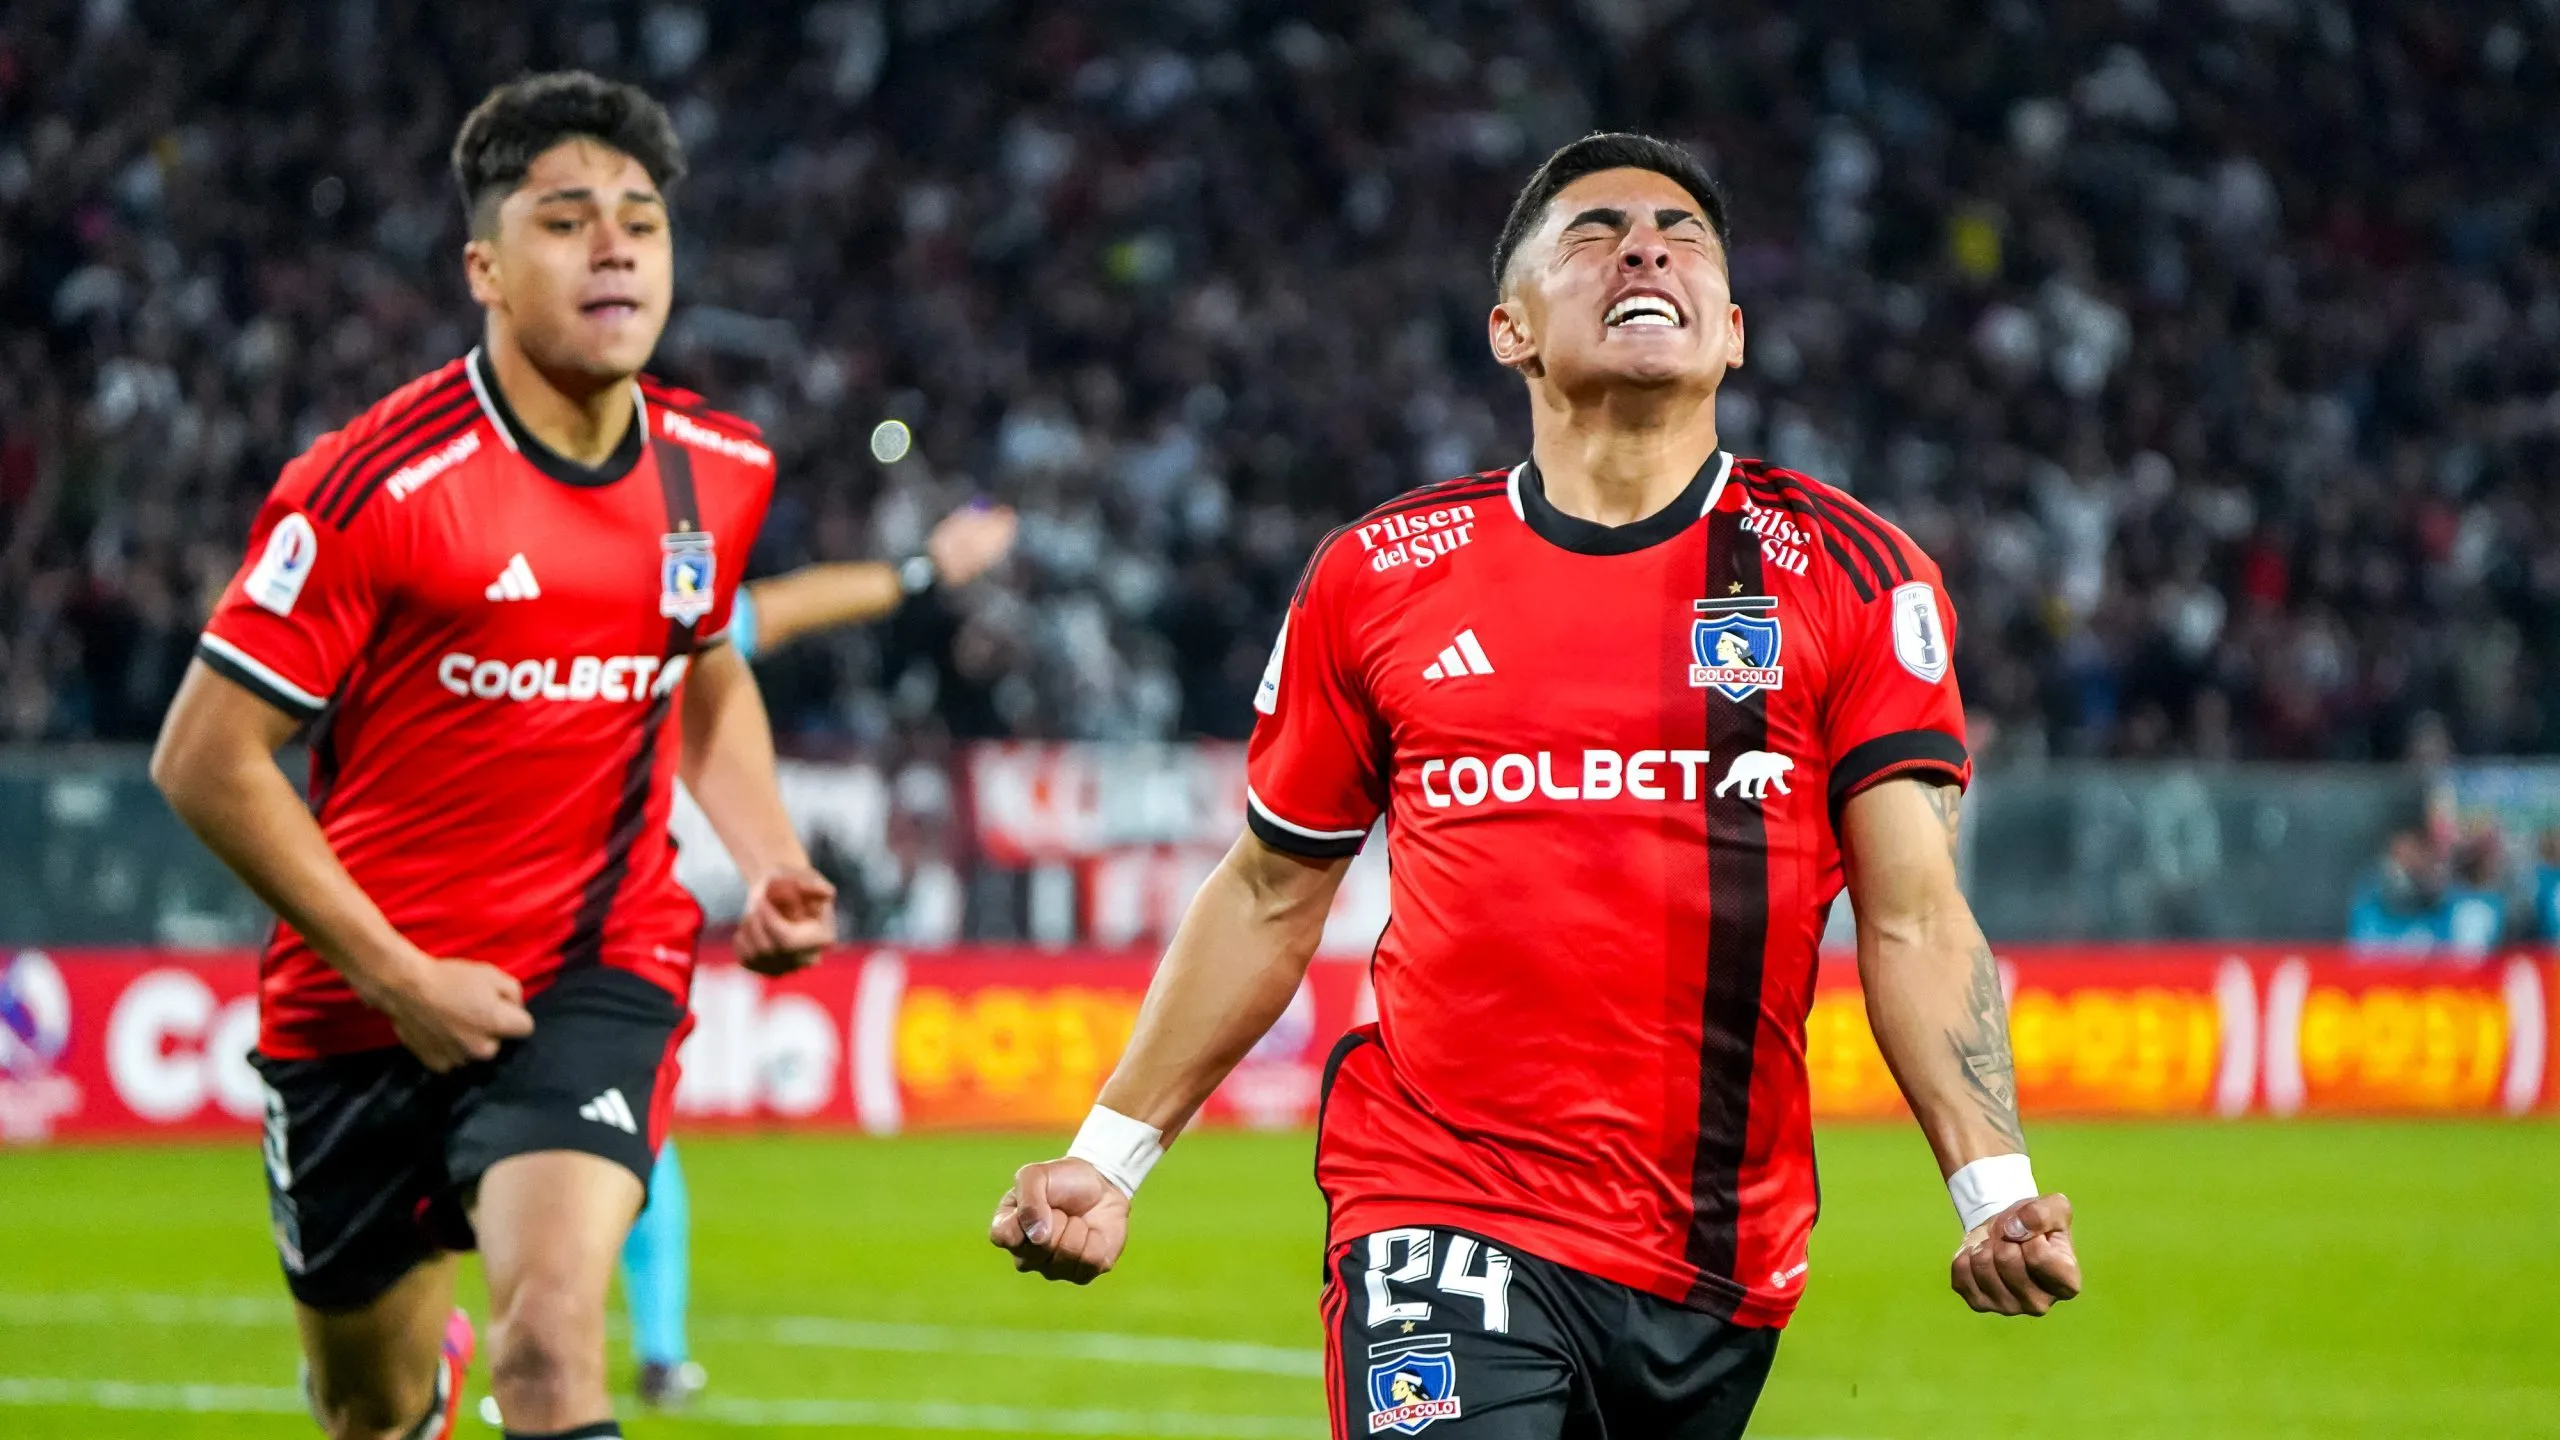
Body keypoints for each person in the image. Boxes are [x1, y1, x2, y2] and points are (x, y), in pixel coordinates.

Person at [991, 133, 2081, 1438]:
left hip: (1714, 1258)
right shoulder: (1380, 574)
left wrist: (1991, 1186)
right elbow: (1274, 887)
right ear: (1509, 329)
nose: (1645, 248)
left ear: (1731, 332)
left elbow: (1912, 915)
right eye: (1595, 233)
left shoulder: (1850, 574)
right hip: (1435, 1202)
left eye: (1683, 235)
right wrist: (1108, 1161)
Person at [151, 72, 834, 1440]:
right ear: (484, 265)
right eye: (567, 219)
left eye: (641, 219)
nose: (617, 247)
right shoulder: (375, 486)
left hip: (589, 971)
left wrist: (769, 857)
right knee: (372, 1407)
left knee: (550, 1348)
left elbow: (699, 663)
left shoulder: (716, 469)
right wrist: (395, 974)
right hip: (361, 1002)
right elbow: (205, 758)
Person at [621, 499, 1017, 1412]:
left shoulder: (646, 621)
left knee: (634, 1140)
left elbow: (783, 606)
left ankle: (636, 1353)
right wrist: (922, 570)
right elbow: (785, 605)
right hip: (534, 924)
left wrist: (920, 573)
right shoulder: (631, 621)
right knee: (631, 1145)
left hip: (594, 936)